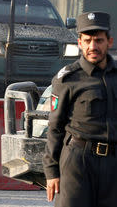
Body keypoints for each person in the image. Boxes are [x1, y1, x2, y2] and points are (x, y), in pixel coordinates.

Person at [43, 11, 116, 207]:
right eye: (88, 41)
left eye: (99, 41)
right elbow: (55, 127)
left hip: (113, 164)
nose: (93, 46)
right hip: (78, 162)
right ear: (80, 43)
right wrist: (51, 172)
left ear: (109, 42)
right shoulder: (68, 79)